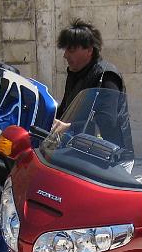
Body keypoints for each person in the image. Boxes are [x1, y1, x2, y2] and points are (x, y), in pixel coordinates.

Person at [54, 19, 131, 160]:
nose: (65, 55)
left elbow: (107, 121)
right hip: (82, 151)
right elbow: (65, 109)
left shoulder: (107, 76)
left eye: (70, 50)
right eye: (65, 50)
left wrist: (69, 127)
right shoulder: (75, 74)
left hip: (112, 156)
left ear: (89, 50)